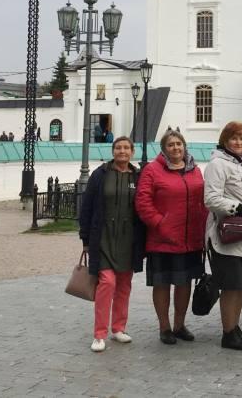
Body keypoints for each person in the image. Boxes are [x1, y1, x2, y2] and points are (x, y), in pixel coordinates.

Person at [135, 129, 208, 345]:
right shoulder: (153, 170)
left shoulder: (194, 170)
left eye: (179, 144)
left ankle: (179, 324)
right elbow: (143, 202)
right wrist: (160, 223)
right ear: (164, 149)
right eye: (171, 144)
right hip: (163, 239)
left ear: (184, 146)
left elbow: (202, 200)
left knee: (185, 282)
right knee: (163, 283)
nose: (176, 148)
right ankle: (164, 326)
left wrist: (204, 227)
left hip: (190, 238)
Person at [78, 136, 144, 352]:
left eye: (126, 148)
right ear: (112, 150)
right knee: (107, 282)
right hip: (104, 237)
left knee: (124, 284)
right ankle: (99, 334)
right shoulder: (100, 174)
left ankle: (118, 328)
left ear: (132, 152)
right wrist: (86, 238)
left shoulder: (138, 175)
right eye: (118, 148)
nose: (122, 151)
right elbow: (87, 207)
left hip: (128, 239)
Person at [204, 121, 242, 351]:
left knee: (240, 286)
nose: (238, 142)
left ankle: (235, 327)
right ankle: (228, 333)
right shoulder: (217, 164)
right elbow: (211, 198)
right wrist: (240, 209)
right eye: (233, 138)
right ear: (225, 140)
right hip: (226, 236)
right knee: (230, 285)